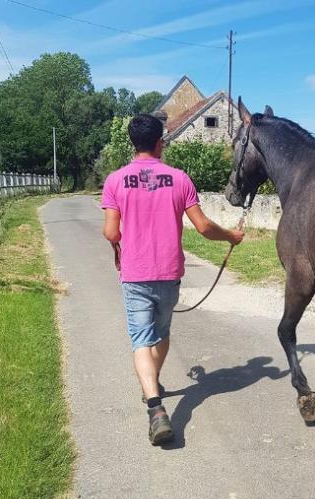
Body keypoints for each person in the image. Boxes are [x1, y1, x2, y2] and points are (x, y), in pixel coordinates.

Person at [101, 114, 244, 445]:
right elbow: (205, 227)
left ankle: (155, 406)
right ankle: (154, 381)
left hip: (135, 274)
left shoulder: (116, 180)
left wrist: (118, 239)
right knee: (161, 333)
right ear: (159, 142)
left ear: (133, 142)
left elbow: (111, 231)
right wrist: (232, 237)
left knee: (140, 339)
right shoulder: (179, 179)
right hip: (168, 273)